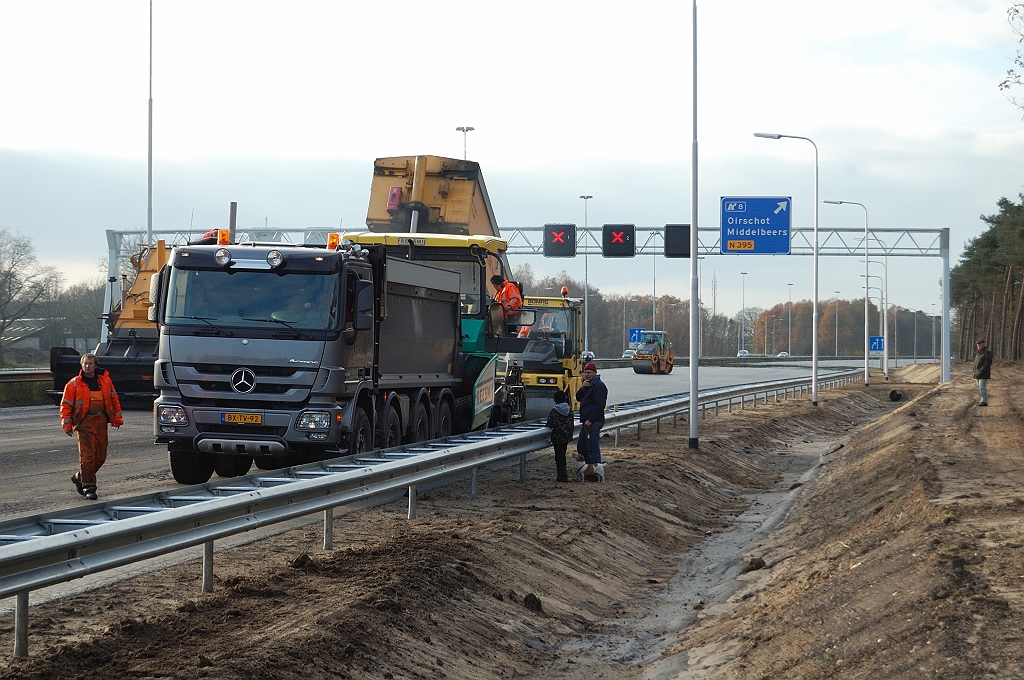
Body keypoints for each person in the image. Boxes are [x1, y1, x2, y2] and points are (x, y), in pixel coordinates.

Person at [59, 353, 124, 500]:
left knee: (100, 457)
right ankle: (89, 487)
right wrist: (67, 424)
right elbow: (66, 405)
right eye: (85, 363)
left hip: (101, 421)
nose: (87, 366)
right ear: (81, 365)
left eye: (90, 364)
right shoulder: (74, 384)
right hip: (84, 423)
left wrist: (117, 418)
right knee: (87, 457)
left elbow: (114, 399)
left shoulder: (106, 381)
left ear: (96, 365)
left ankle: (79, 476)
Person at [575, 361, 608, 482]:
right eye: (585, 372)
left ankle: (595, 472)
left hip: (593, 422)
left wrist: (591, 420)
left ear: (595, 373)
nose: (587, 375)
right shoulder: (587, 385)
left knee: (593, 447)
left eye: (589, 372)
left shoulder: (599, 386)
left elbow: (599, 406)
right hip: (586, 421)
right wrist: (583, 388)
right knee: (582, 446)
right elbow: (578, 397)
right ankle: (587, 469)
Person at [546, 390, 574, 483]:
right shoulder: (569, 409)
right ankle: (562, 475)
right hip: (567, 436)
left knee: (559, 456)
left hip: (557, 437)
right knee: (562, 454)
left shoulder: (555, 410)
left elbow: (550, 423)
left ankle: (562, 476)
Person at [974, 338, 992, 406]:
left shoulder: (987, 353)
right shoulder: (978, 353)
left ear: (983, 344)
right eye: (977, 345)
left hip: (983, 373)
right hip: (977, 373)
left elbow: (988, 362)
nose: (978, 346)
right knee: (979, 387)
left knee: (982, 387)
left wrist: (982, 369)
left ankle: (984, 401)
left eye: (980, 344)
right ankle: (982, 400)